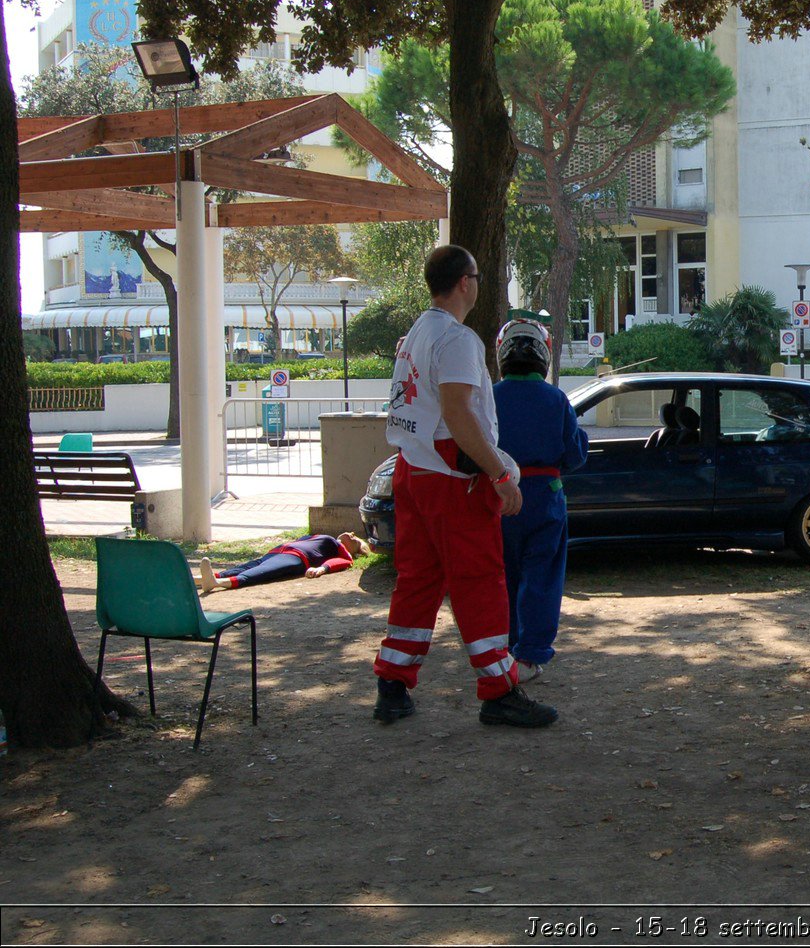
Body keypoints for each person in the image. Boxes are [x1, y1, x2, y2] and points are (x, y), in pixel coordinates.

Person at [370, 244, 556, 730]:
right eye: (477, 274)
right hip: (455, 480)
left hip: (414, 471)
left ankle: (392, 683)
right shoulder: (457, 340)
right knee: (480, 582)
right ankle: (499, 689)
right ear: (465, 282)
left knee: (418, 580)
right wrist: (498, 472)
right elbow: (458, 413)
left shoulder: (416, 334)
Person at [493, 319, 588, 681]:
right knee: (542, 577)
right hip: (546, 500)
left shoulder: (490, 395)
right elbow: (575, 453)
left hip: (500, 497)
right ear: (544, 355)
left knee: (505, 576)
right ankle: (530, 657)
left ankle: (503, 648)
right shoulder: (556, 399)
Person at [198, 533, 370, 592]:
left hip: (295, 558)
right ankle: (198, 579)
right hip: (278, 551)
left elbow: (342, 561)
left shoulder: (339, 547)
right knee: (246, 566)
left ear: (354, 549)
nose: (351, 534)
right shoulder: (320, 536)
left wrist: (322, 569)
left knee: (260, 572)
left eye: (355, 540)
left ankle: (217, 583)